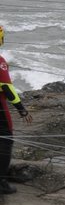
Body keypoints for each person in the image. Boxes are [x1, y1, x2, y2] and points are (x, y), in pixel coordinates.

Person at [0, 21, 32, 195]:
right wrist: (21, 109)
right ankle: (1, 182)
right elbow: (6, 86)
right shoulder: (0, 61)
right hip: (0, 109)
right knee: (5, 141)